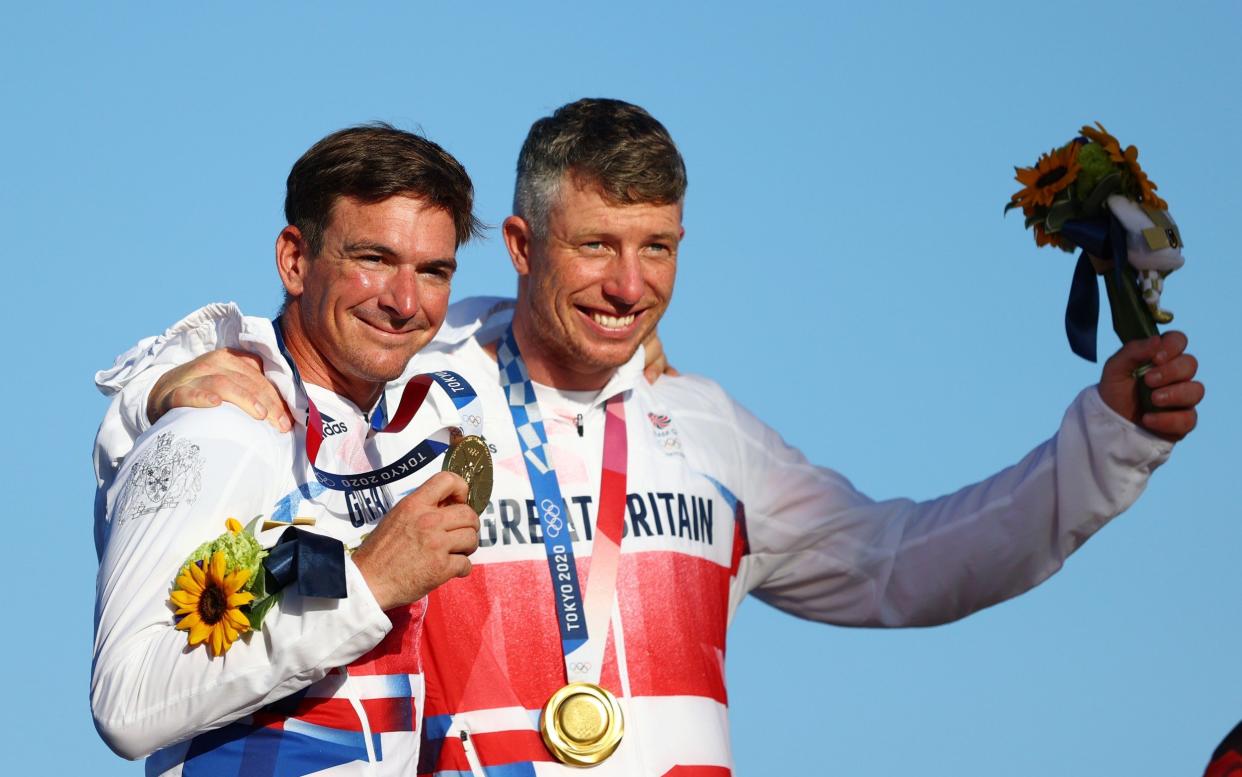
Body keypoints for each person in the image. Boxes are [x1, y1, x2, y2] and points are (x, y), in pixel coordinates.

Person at [95, 99, 1204, 775]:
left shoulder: (704, 428)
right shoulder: (424, 392)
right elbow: (291, 361)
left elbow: (904, 565)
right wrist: (157, 384)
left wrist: (1104, 440)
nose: (630, 289)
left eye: (659, 248)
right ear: (522, 246)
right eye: (596, 247)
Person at [91, 124, 491, 773]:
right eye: (374, 258)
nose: (404, 301)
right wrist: (365, 584)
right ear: (295, 261)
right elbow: (126, 698)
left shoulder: (403, 428)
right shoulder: (218, 422)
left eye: (433, 270)